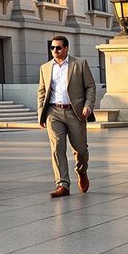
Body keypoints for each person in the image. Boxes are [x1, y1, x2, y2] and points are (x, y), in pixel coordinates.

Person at [37, 35, 97, 198]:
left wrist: (88, 106)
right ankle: (62, 184)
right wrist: (40, 114)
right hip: (53, 112)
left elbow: (90, 87)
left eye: (58, 48)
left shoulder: (80, 64)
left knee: (81, 150)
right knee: (57, 148)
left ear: (66, 48)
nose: (54, 51)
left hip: (75, 112)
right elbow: (42, 91)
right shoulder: (45, 68)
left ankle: (81, 171)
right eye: (52, 48)